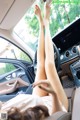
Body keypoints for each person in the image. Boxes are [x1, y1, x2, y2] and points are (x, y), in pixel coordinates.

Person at [0, 3, 68, 120]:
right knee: (49, 64)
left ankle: (42, 25)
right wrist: (54, 95)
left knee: (41, 65)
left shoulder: (3, 113)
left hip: (36, 103)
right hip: (55, 109)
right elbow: (55, 116)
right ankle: (46, 23)